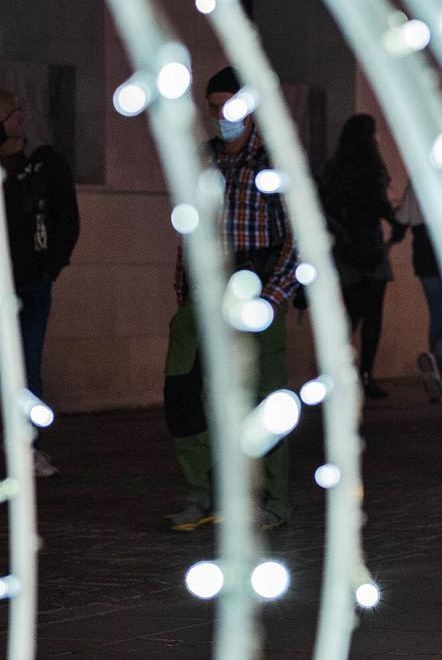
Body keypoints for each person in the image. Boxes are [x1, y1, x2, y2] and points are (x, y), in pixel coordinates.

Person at [162, 67, 298, 531]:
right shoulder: (206, 160)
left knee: (262, 396)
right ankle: (205, 491)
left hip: (259, 285)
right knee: (186, 389)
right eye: (215, 107)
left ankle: (272, 501)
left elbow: (297, 238)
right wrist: (184, 289)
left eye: (231, 106)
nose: (223, 116)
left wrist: (275, 295)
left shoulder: (275, 161)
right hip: (207, 288)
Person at [0, 89, 80, 478]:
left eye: (15, 115)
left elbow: (65, 218)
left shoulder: (42, 165)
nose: (17, 121)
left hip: (31, 281)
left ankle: (27, 447)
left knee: (27, 365)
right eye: (9, 117)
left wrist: (50, 266)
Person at [321, 113, 396, 400]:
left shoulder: (335, 168)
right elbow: (381, 205)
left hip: (344, 247)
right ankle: (365, 375)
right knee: (373, 314)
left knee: (350, 314)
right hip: (371, 246)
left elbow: (325, 206)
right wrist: (396, 222)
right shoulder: (372, 168)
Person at [394, 185, 442, 403]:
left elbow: (402, 219)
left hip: (423, 252)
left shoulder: (414, 182)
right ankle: (438, 358)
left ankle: (441, 378)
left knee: (438, 315)